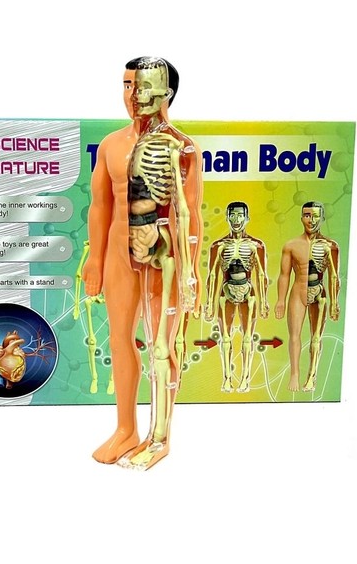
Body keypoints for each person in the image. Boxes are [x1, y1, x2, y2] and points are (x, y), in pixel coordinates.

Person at [82, 57, 203, 469]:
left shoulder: (182, 147)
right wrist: (94, 258)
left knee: (161, 344)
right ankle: (125, 429)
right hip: (119, 253)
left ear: (166, 91)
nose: (133, 95)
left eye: (141, 85)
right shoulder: (111, 145)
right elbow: (100, 205)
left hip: (162, 254)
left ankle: (160, 436)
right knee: (119, 340)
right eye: (127, 85)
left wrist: (191, 269)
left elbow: (191, 212)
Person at [275, 201, 340, 392]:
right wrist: (280, 300)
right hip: (298, 291)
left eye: (316, 216)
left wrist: (335, 302)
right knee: (294, 335)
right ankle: (294, 374)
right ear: (301, 218)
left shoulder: (331, 246)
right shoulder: (291, 245)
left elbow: (334, 276)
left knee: (316, 336)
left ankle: (312, 376)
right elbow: (284, 274)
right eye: (307, 215)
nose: (311, 220)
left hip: (319, 293)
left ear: (323, 217)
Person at [204, 202, 269, 392]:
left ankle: (245, 380)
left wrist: (264, 302)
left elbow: (261, 274)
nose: (236, 219)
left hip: (249, 294)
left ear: (247, 218)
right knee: (225, 338)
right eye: (232, 215)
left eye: (240, 215)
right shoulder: (218, 246)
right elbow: (212, 275)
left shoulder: (256, 245)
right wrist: (209, 303)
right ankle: (226, 379)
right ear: (227, 217)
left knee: (248, 338)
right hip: (226, 292)